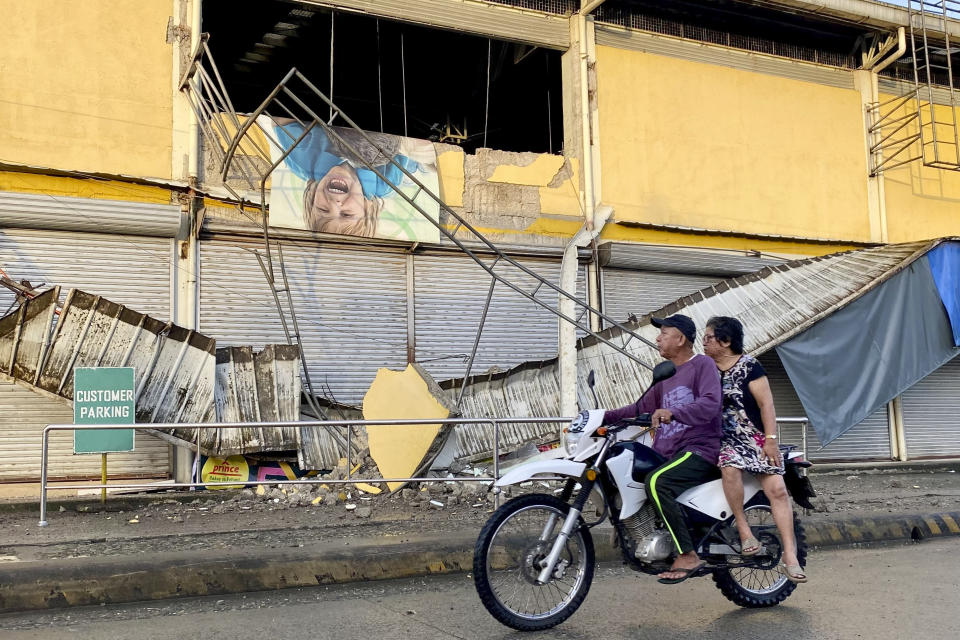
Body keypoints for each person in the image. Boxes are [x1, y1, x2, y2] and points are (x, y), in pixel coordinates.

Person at [603, 314, 722, 584]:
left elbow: (711, 403)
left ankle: (688, 554)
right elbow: (638, 409)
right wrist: (601, 416)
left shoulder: (701, 365)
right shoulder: (665, 373)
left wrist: (674, 412)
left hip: (699, 448)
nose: (658, 338)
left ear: (680, 339)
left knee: (657, 482)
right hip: (669, 452)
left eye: (664, 333)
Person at [702, 316, 808, 584]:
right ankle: (744, 531)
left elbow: (767, 405)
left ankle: (790, 555)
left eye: (709, 337)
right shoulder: (705, 369)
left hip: (756, 438)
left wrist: (770, 439)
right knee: (729, 467)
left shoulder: (750, 366)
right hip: (724, 439)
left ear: (725, 341)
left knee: (778, 490)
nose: (703, 342)